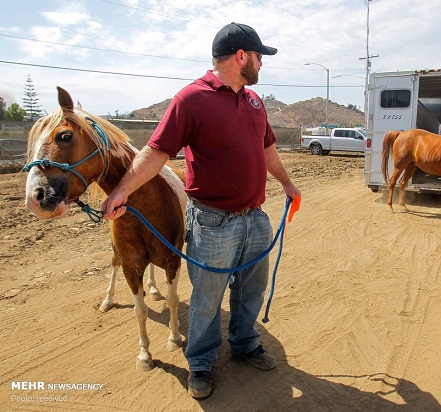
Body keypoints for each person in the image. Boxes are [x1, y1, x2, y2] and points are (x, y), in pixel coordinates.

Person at [101, 22, 301, 399]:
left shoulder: (255, 101)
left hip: (255, 217)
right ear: (241, 56)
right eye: (260, 57)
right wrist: (122, 190)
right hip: (213, 222)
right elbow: (156, 152)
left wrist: (288, 184)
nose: (263, 64)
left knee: (250, 289)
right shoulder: (191, 99)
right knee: (207, 299)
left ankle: (244, 342)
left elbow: (266, 148)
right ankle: (202, 362)